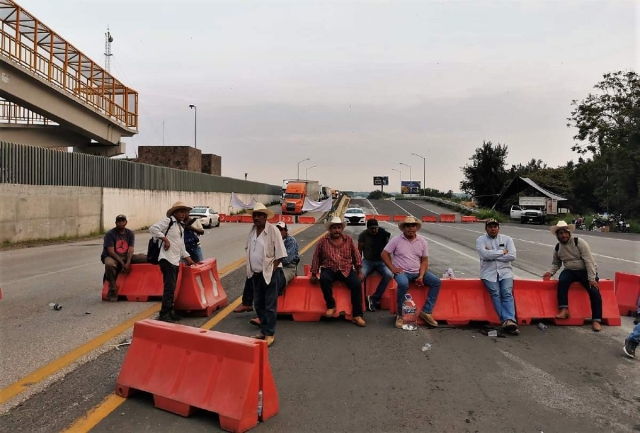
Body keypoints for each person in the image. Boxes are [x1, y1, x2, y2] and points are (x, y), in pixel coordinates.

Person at [381, 216, 441, 329]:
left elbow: (424, 260)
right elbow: (384, 254)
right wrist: (392, 269)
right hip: (402, 272)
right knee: (403, 284)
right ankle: (400, 315)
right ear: (403, 228)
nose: (410, 228)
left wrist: (422, 275)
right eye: (408, 226)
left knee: (436, 282)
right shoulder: (396, 240)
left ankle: (426, 311)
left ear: (416, 228)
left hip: (417, 271)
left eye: (413, 225)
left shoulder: (422, 241)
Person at [543, 220, 603, 332]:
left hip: (585, 270)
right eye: (560, 233)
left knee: (594, 291)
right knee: (562, 281)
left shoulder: (579, 242)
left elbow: (589, 261)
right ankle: (564, 309)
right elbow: (556, 263)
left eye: (565, 232)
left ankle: (596, 320)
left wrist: (591, 278)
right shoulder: (557, 247)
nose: (563, 235)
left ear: (569, 232)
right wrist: (550, 272)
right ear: (557, 235)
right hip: (570, 270)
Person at [309, 216, 366, 327]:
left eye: (339, 227)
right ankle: (331, 305)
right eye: (334, 228)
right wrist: (314, 274)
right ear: (330, 229)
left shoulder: (348, 239)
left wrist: (359, 271)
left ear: (342, 229)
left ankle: (357, 315)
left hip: (346, 269)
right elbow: (316, 257)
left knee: (356, 284)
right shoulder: (322, 241)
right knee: (324, 280)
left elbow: (356, 256)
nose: (337, 230)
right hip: (329, 268)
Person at [244, 203, 287, 347]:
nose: (256, 218)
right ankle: (263, 330)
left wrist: (270, 270)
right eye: (254, 215)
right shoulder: (252, 231)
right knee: (258, 304)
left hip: (270, 274)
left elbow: (280, 254)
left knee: (270, 306)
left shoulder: (273, 231)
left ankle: (269, 333)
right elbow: (248, 249)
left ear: (265, 217)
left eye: (259, 215)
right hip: (255, 274)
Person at [247, 221, 300, 327]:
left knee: (276, 282)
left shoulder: (291, 241)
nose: (279, 232)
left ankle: (265, 318)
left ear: (285, 231)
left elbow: (286, 259)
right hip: (272, 265)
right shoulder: (271, 239)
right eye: (277, 229)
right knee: (252, 277)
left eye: (281, 230)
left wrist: (271, 261)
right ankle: (247, 303)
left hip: (287, 267)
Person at [149, 202, 195, 322]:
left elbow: (181, 245)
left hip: (175, 260)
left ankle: (170, 311)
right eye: (181, 211)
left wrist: (187, 257)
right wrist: (164, 239)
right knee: (169, 288)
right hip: (167, 259)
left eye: (185, 212)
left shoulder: (180, 226)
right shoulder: (168, 221)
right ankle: (164, 313)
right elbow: (153, 228)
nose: (183, 214)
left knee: (172, 287)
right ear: (175, 212)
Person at [475, 219, 519, 335]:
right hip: (488, 274)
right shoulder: (481, 240)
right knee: (496, 293)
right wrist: (501, 252)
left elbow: (512, 256)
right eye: (490, 227)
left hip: (505, 272)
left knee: (507, 292)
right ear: (486, 229)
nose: (493, 229)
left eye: (495, 226)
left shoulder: (507, 239)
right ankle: (507, 321)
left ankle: (509, 320)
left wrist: (492, 254)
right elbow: (484, 254)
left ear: (499, 228)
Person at [101, 214, 147, 302]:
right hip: (112, 256)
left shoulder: (129, 233)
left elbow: (131, 249)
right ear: (116, 223)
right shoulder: (110, 234)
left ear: (126, 222)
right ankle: (112, 290)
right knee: (109, 264)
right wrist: (122, 264)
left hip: (125, 256)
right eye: (119, 221)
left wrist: (128, 262)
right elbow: (111, 251)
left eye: (123, 221)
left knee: (145, 258)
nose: (121, 223)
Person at [358, 218, 392, 312]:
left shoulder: (384, 233)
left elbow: (388, 250)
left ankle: (374, 298)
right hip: (368, 261)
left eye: (375, 228)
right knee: (361, 276)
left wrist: (390, 264)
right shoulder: (363, 235)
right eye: (371, 228)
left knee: (389, 274)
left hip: (381, 261)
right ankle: (361, 300)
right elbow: (359, 251)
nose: (373, 230)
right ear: (368, 228)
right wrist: (358, 266)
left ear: (378, 227)